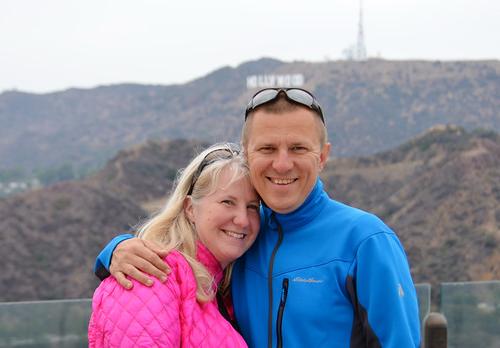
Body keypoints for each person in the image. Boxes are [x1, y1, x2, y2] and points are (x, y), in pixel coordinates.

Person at [94, 88, 421, 347]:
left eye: (297, 148)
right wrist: (116, 251)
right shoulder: (246, 234)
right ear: (247, 152)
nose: (281, 164)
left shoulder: (365, 241)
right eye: (267, 149)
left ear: (322, 156)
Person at [89, 143, 260, 347]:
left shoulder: (228, 287)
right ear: (190, 209)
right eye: (227, 202)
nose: (242, 220)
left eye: (252, 207)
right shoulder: (150, 272)